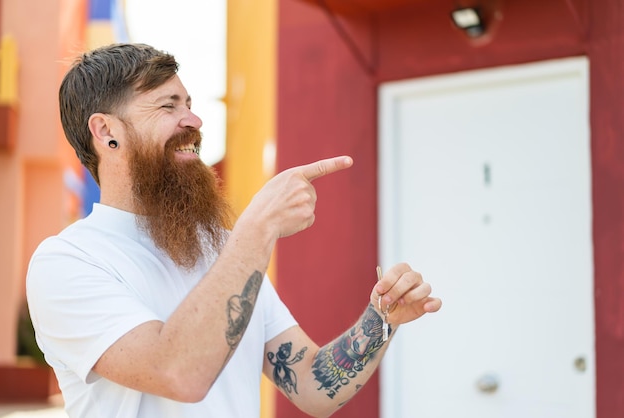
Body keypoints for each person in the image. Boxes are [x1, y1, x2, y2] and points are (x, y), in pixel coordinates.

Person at [26, 43, 441, 418]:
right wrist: (257, 227)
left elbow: (314, 385)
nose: (194, 119)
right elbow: (177, 374)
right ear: (106, 131)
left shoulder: (222, 248)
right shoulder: (67, 262)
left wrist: (381, 320)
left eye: (188, 103)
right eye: (168, 106)